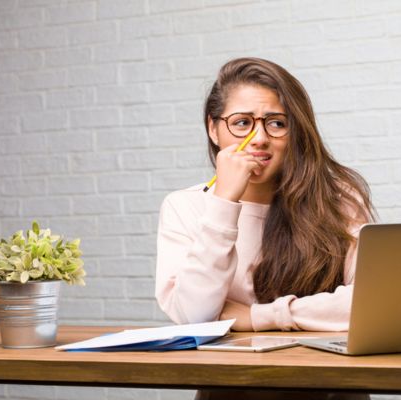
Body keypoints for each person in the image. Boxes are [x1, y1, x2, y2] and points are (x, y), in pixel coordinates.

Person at [155, 57, 375, 400]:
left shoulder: (339, 200)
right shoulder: (185, 207)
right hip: (230, 391)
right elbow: (195, 318)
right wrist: (225, 202)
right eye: (241, 123)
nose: (258, 138)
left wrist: (256, 316)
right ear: (213, 129)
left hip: (332, 388)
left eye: (276, 123)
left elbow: (369, 305)